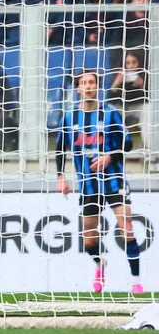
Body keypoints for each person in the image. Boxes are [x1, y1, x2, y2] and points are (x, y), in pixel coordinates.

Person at [56, 71, 144, 295]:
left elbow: (128, 144)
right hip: (88, 184)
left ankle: (136, 281)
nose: (87, 86)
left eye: (91, 82)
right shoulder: (69, 117)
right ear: (78, 89)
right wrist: (60, 176)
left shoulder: (111, 113)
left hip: (114, 179)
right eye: (83, 83)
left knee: (127, 227)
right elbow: (59, 149)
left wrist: (109, 157)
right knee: (89, 240)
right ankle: (100, 264)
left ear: (97, 86)